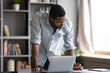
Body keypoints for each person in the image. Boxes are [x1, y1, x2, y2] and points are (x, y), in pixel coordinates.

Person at [31, 4, 83, 72]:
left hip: (56, 61)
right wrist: (35, 66)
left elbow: (69, 46)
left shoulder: (67, 24)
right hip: (40, 61)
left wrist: (72, 65)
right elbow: (35, 42)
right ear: (51, 18)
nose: (62, 25)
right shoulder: (38, 18)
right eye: (59, 22)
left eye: (63, 21)